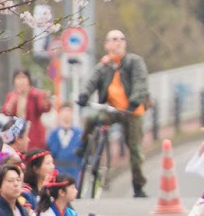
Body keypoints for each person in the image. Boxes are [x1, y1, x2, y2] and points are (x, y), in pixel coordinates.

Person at [76, 30, 151, 198]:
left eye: (122, 39)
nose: (119, 42)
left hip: (133, 111)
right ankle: (84, 144)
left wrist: (134, 101)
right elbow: (91, 82)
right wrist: (84, 95)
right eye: (114, 39)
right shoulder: (104, 65)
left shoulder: (134, 61)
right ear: (107, 44)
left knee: (135, 149)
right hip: (112, 109)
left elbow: (140, 82)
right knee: (91, 117)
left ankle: (138, 185)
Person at [0, 69, 52, 152]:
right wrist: (14, 100)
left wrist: (46, 99)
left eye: (23, 77)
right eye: (18, 78)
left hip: (34, 135)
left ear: (28, 80)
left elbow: (44, 108)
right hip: (16, 137)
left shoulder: (36, 94)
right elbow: (6, 111)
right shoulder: (12, 95)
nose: (21, 81)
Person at [46, 103, 84, 181]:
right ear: (60, 114)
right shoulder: (53, 134)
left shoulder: (79, 134)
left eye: (69, 111)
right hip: (57, 171)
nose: (66, 114)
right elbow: (49, 152)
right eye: (64, 111)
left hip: (74, 171)